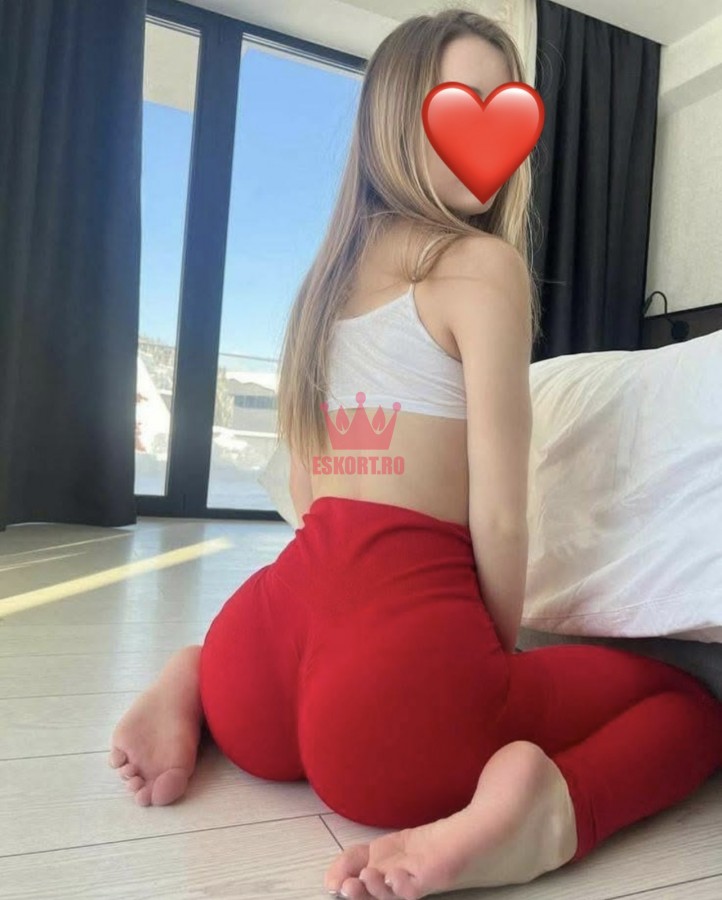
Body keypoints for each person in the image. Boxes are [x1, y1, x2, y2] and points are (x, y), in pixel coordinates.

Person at [108, 8, 722, 900]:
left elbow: (312, 487)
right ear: (399, 116)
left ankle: (194, 673)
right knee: (691, 709)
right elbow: (501, 512)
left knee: (270, 653)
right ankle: (549, 816)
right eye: (460, 103)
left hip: (256, 658)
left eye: (505, 106)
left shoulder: (325, 285)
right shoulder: (481, 264)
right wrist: (491, 664)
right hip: (393, 695)